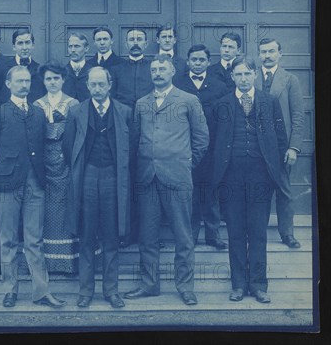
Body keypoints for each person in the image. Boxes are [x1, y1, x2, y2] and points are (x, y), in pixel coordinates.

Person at [0, 66, 65, 309]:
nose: (24, 85)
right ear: (8, 84)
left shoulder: (38, 113)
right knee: (8, 240)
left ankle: (41, 292)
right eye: (19, 81)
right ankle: (10, 290)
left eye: (27, 81)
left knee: (34, 240)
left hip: (35, 184)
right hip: (7, 185)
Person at [124, 55, 209, 306]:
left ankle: (185, 286)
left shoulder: (189, 100)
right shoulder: (141, 103)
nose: (158, 72)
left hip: (178, 178)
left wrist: (185, 164)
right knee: (147, 238)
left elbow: (202, 138)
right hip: (147, 178)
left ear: (172, 71)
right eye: (154, 69)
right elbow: (136, 138)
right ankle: (150, 285)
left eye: (162, 68)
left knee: (183, 237)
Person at [211, 56, 287, 303]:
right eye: (238, 74)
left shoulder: (269, 101)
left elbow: (280, 138)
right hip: (231, 177)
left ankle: (258, 285)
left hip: (260, 176)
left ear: (254, 75)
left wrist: (276, 171)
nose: (243, 78)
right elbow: (214, 143)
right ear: (232, 76)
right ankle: (238, 285)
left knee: (258, 231)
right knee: (234, 232)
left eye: (247, 74)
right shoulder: (221, 104)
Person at [63, 67, 135, 309]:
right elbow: (68, 147)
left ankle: (111, 291)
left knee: (111, 236)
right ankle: (85, 292)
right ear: (87, 86)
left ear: (110, 84)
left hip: (114, 177)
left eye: (101, 84)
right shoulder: (76, 112)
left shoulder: (124, 111)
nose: (97, 88)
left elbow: (131, 148)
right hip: (86, 176)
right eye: (92, 84)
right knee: (86, 236)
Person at [176, 44, 228, 249]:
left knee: (211, 190)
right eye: (194, 60)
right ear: (188, 62)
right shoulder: (177, 83)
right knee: (189, 192)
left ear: (208, 62)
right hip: (184, 147)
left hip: (212, 149)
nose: (197, 63)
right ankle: (191, 234)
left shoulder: (219, 86)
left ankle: (213, 234)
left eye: (201, 60)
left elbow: (224, 121)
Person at [256, 38, 305, 249]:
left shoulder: (290, 79)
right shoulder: (251, 76)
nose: (267, 55)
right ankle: (257, 233)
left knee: (284, 191)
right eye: (263, 52)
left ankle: (287, 234)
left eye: (271, 51)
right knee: (258, 191)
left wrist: (293, 147)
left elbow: (298, 116)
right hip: (256, 146)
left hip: (281, 146)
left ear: (280, 53)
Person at [33, 61, 80, 275]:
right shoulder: (36, 105)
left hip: (67, 162)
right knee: (46, 209)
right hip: (44, 165)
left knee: (65, 208)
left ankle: (68, 261)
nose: (52, 82)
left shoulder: (73, 104)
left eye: (56, 78)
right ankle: (47, 262)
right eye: (48, 79)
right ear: (43, 82)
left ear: (63, 80)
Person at [0, 28, 45, 106]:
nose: (24, 47)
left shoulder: (40, 71)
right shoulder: (1, 68)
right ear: (14, 47)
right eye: (20, 43)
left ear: (33, 45)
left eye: (27, 42)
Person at [110, 28, 153, 110]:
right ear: (126, 44)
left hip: (149, 114)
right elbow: (112, 97)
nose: (135, 43)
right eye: (132, 39)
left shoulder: (154, 67)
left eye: (139, 39)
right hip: (123, 115)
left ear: (146, 44)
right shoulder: (116, 69)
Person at [62, 33, 91, 102]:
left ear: (86, 48)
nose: (72, 50)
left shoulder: (93, 71)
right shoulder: (61, 72)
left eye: (77, 46)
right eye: (70, 46)